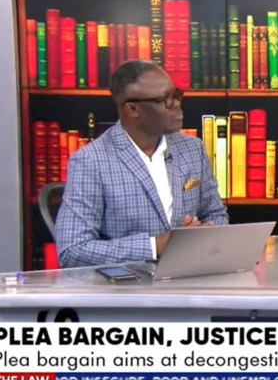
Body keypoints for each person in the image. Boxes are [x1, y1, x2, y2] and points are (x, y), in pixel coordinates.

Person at [55, 60, 229, 268]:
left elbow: (216, 214)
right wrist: (156, 246)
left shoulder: (192, 148)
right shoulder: (90, 161)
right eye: (165, 99)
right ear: (132, 110)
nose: (176, 104)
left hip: (190, 275)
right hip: (127, 284)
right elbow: (72, 250)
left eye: (176, 95)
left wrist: (202, 237)